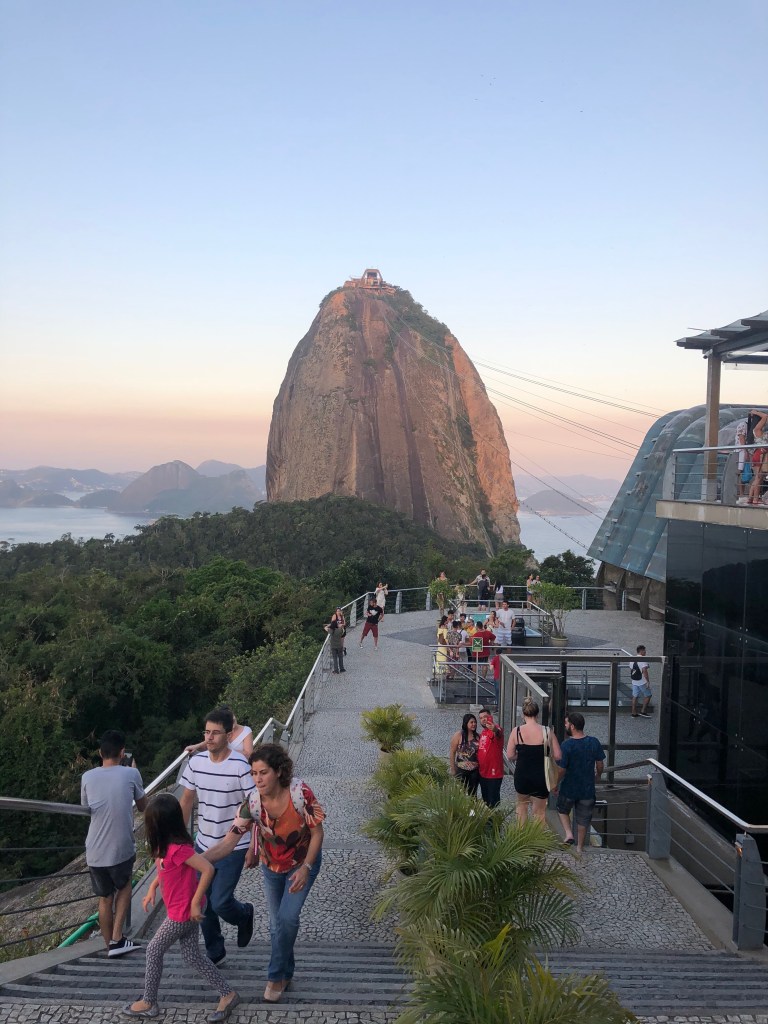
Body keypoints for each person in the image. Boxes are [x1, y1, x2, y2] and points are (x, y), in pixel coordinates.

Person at [208, 744, 325, 1004]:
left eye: (263, 773)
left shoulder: (300, 793)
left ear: (278, 771)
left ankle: (274, 977)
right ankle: (287, 972)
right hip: (271, 866)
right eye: (253, 773)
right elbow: (228, 842)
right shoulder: (252, 802)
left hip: (302, 863)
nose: (257, 779)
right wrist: (196, 860)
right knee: (276, 925)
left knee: (287, 918)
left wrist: (306, 868)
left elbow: (317, 832)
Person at [122, 794, 239, 1021]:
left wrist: (195, 902)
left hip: (182, 913)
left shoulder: (179, 849)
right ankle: (228, 993)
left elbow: (207, 869)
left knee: (153, 950)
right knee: (192, 956)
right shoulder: (166, 848)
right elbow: (166, 870)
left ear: (159, 825)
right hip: (181, 910)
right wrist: (152, 887)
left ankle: (149, 1002)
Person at [179, 708, 255, 966]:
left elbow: (254, 805)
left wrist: (254, 846)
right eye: (206, 732)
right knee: (203, 900)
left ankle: (244, 914)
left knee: (221, 901)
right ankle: (215, 950)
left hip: (234, 845)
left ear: (229, 735)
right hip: (203, 843)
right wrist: (178, 837)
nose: (209, 738)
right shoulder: (196, 763)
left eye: (215, 733)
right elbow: (186, 800)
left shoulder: (241, 766)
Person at [81, 729, 147, 957]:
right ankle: (118, 938)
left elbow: (86, 807)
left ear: (100, 753)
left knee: (104, 897)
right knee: (125, 886)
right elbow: (143, 806)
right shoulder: (131, 774)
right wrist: (135, 772)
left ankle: (109, 945)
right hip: (120, 846)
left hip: (94, 849)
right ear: (122, 752)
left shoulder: (87, 776)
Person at [506, 695, 562, 825]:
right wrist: (545, 754)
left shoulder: (516, 731)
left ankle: (521, 835)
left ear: (523, 715)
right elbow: (558, 755)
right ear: (538, 714)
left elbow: (510, 755)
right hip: (541, 777)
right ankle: (537, 837)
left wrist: (521, 755)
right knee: (539, 813)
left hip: (522, 776)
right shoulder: (547, 731)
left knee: (521, 808)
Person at [556, 711, 605, 854]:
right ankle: (580, 847)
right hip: (587, 789)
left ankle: (568, 834)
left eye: (566, 723)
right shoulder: (594, 742)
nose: (565, 725)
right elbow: (600, 764)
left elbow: (562, 769)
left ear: (572, 726)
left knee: (562, 809)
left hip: (569, 787)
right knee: (584, 819)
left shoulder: (566, 745)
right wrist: (598, 775)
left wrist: (555, 783)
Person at [185, 708, 253, 759]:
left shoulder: (246, 730)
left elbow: (248, 754)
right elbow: (209, 742)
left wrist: (224, 750)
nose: (231, 721)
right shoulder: (221, 731)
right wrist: (196, 746)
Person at [477, 708, 504, 807]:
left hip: (494, 774)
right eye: (481, 718)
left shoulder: (497, 728)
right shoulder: (483, 733)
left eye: (485, 717)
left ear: (490, 717)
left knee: (493, 802)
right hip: (483, 773)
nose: (483, 719)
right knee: (486, 800)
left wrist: (494, 729)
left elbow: (498, 733)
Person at [449, 713, 480, 796]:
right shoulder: (458, 735)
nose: (474, 724)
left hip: (474, 771)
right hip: (461, 770)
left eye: (475, 722)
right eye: (471, 722)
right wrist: (452, 768)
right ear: (466, 723)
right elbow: (452, 752)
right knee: (460, 794)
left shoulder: (478, 737)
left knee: (473, 794)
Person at [630, 645, 652, 718]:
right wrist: (648, 682)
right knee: (648, 695)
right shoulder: (643, 659)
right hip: (642, 681)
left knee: (635, 696)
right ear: (641, 651)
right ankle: (643, 711)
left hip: (634, 681)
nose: (645, 652)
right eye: (644, 650)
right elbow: (645, 671)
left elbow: (632, 668)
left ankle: (633, 713)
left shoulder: (632, 659)